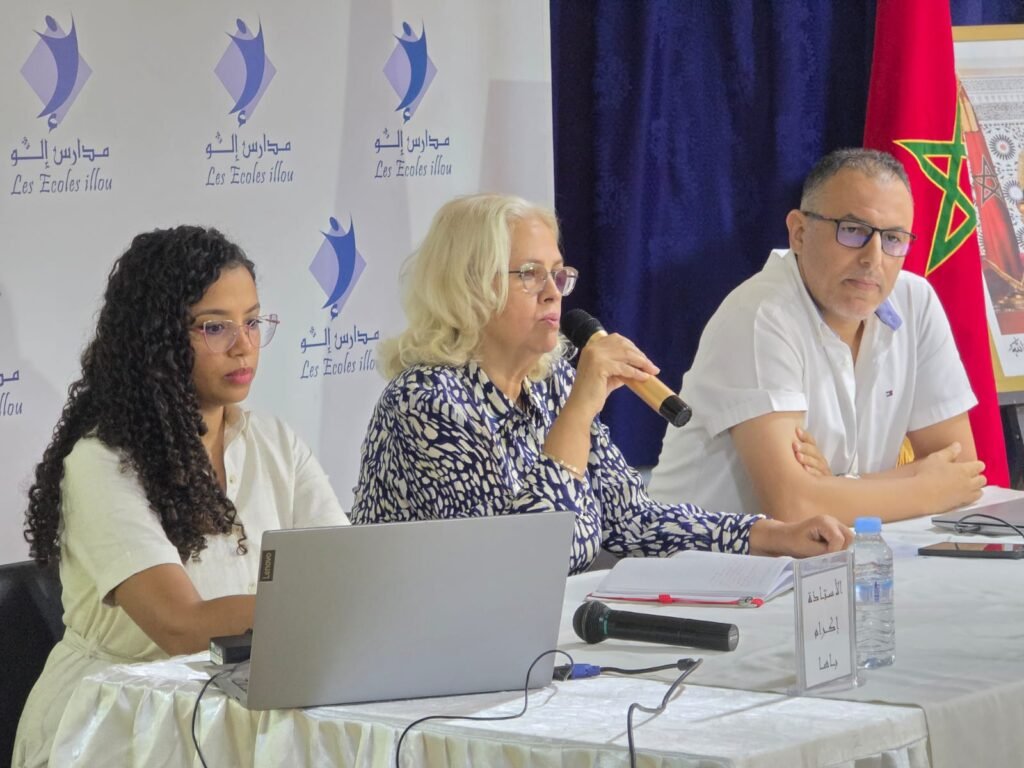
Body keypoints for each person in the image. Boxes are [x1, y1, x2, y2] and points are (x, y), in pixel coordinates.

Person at [350, 194, 851, 574]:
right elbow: (523, 562)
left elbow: (631, 518)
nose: (553, 292)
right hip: (425, 653)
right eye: (529, 274)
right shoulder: (426, 401)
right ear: (470, 284)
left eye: (557, 274)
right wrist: (580, 409)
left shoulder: (549, 382)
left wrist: (774, 535)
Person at [14, 226, 348, 767]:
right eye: (215, 327)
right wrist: (317, 608)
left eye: (252, 321)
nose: (243, 345)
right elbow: (181, 625)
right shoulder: (102, 463)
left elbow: (345, 573)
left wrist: (348, 603)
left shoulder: (276, 442)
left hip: (244, 711)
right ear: (158, 339)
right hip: (120, 724)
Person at [649, 148, 986, 525]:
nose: (874, 258)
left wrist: (835, 488)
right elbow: (794, 507)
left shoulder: (915, 300)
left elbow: (961, 470)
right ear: (799, 232)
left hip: (830, 552)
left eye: (893, 238)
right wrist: (923, 489)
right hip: (700, 557)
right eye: (853, 230)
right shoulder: (761, 314)